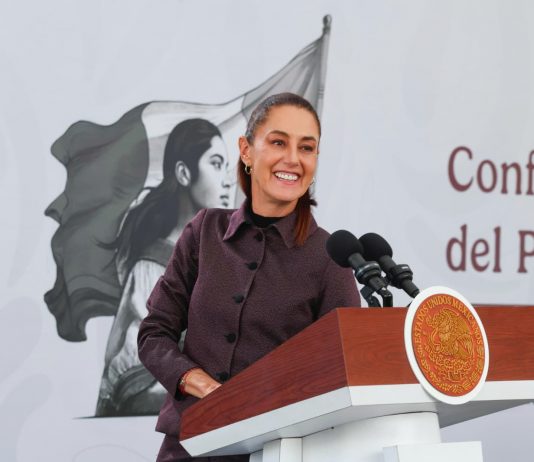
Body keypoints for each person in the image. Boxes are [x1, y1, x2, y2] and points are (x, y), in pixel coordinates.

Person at [138, 93, 361, 461]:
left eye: (307, 148)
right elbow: (154, 334)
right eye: (278, 142)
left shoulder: (330, 257)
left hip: (276, 451)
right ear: (246, 151)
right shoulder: (203, 232)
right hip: (187, 446)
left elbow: (344, 371)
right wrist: (201, 384)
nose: (293, 159)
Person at [96, 118, 233, 416]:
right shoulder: (151, 268)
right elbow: (134, 378)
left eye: (227, 167)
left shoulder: (227, 259)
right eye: (216, 164)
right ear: (184, 173)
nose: (227, 180)